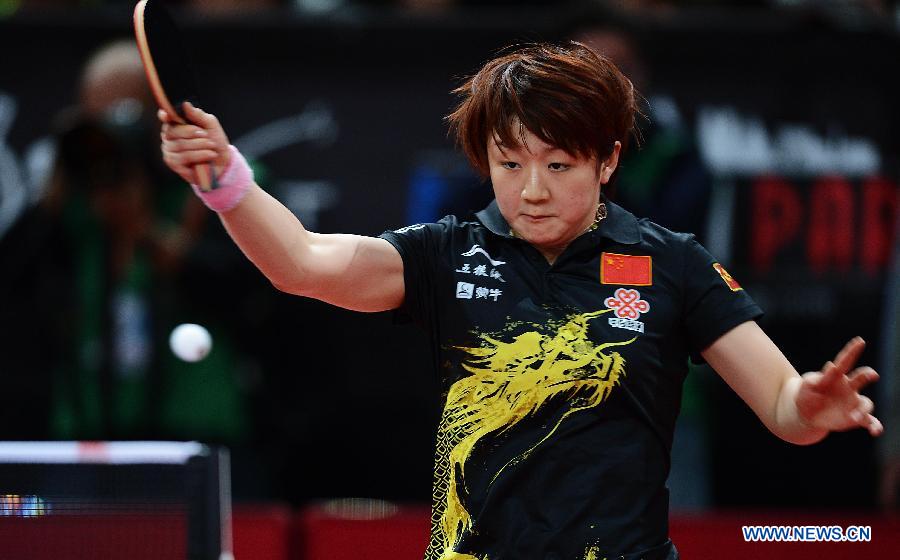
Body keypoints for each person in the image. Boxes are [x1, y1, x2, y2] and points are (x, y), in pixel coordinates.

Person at [159, 42, 882, 560]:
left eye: (559, 165)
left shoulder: (673, 263)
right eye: (510, 162)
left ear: (608, 159)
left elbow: (783, 405)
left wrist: (810, 408)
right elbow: (300, 263)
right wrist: (227, 182)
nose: (532, 189)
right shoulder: (445, 253)